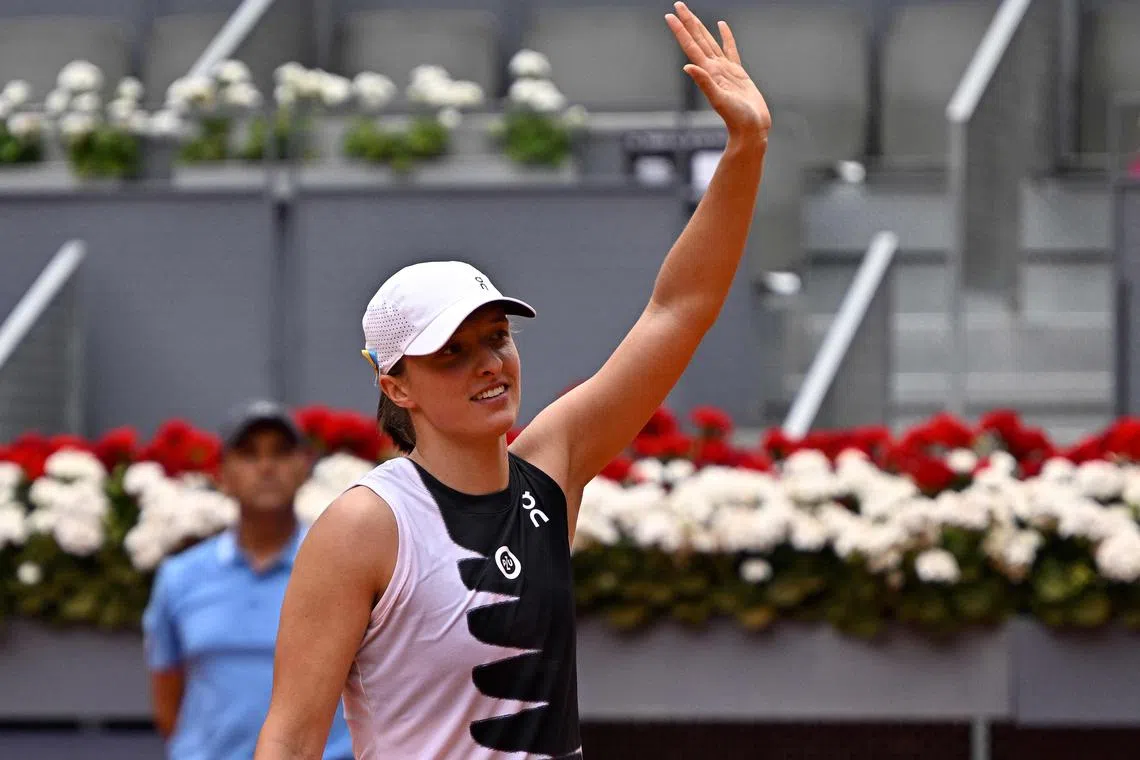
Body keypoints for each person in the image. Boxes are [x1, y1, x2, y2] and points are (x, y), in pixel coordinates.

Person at [254, 3, 771, 758]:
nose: (488, 364)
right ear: (396, 386)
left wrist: (746, 148)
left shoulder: (549, 470)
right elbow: (292, 738)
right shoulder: (365, 525)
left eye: (495, 338)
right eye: (452, 353)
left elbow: (679, 310)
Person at [142, 400, 355, 760]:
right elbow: (167, 696)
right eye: (249, 454)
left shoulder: (346, 569)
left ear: (304, 467)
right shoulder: (179, 577)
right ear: (221, 474)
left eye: (281, 452)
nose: (266, 466)